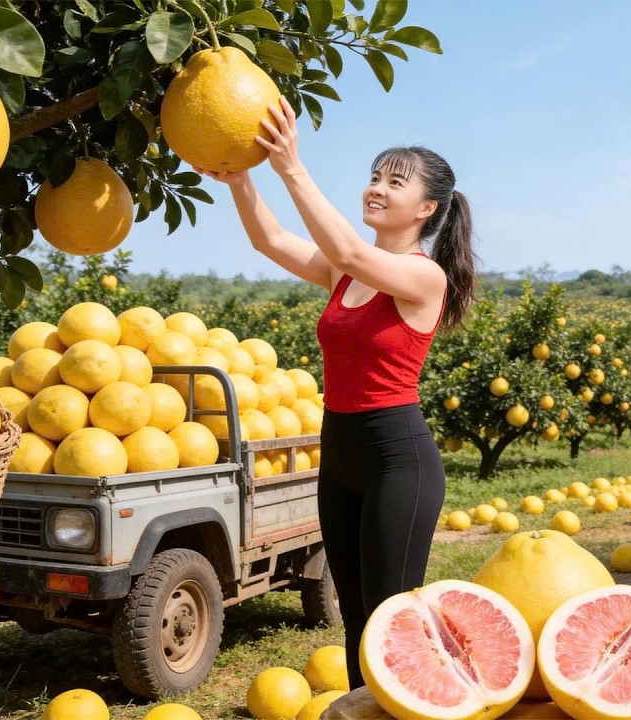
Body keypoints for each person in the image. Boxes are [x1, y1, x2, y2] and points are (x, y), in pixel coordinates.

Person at [198, 97, 476, 689]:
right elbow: (270, 241)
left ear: (426, 208)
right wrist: (242, 179)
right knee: (354, 616)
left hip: (396, 455)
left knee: (390, 616)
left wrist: (291, 167)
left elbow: (351, 249)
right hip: (341, 450)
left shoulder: (425, 277)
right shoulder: (345, 273)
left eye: (394, 183)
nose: (376, 188)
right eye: (374, 176)